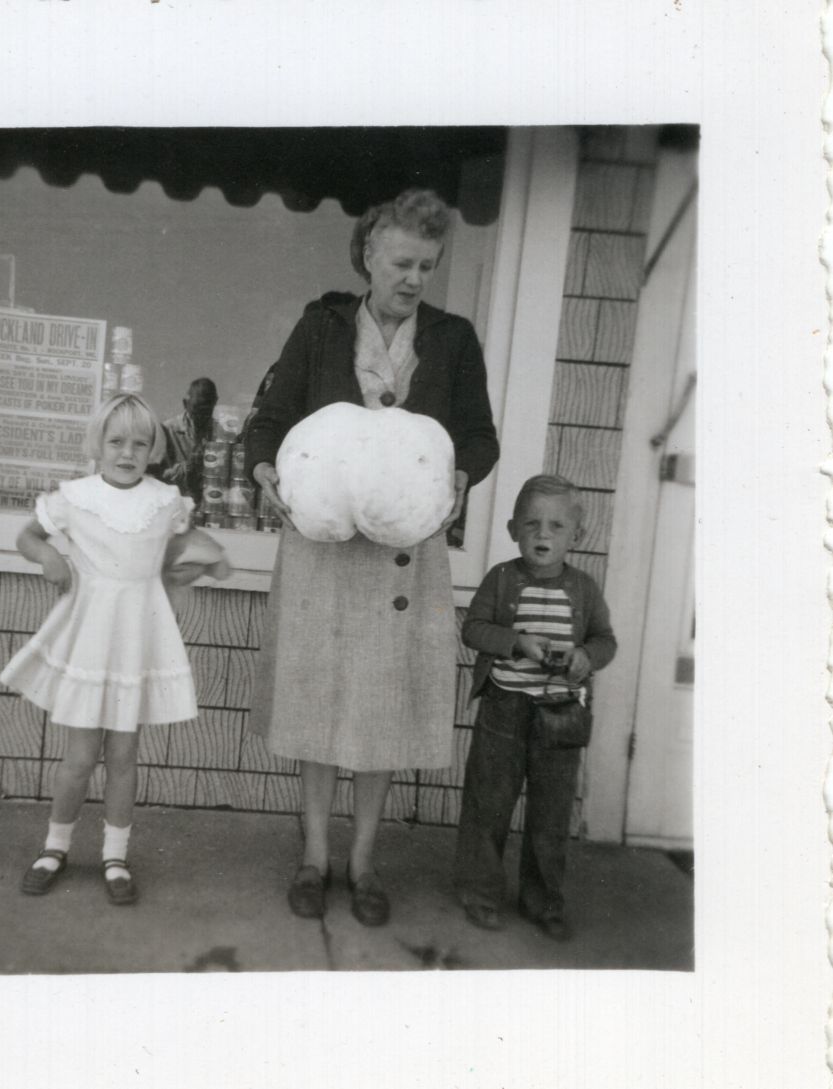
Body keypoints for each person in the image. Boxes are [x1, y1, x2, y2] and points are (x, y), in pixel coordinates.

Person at [245, 188, 500, 926]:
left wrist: (462, 474)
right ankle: (313, 856)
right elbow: (269, 419)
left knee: (381, 709)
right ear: (367, 254)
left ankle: (363, 862)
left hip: (403, 550)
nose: (414, 278)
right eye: (401, 263)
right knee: (318, 703)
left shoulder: (452, 339)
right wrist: (263, 470)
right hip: (322, 548)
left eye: (427, 265)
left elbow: (480, 436)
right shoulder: (321, 326)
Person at [0, 393, 229, 906]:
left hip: (137, 635)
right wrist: (49, 558)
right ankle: (55, 847)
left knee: (124, 755)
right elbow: (28, 537)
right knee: (80, 756)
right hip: (91, 632)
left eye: (140, 444)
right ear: (98, 444)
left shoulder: (166, 501)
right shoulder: (75, 497)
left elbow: (178, 551)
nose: (128, 453)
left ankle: (115, 856)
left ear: (154, 450)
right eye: (117, 442)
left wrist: (202, 564)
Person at [454, 475, 616, 941]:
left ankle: (543, 900)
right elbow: (473, 629)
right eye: (531, 524)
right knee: (488, 805)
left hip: (559, 714)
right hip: (503, 708)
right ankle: (480, 893)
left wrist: (585, 657)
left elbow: (605, 641)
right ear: (512, 530)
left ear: (576, 536)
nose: (543, 534)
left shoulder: (584, 588)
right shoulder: (501, 578)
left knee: (551, 813)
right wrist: (515, 641)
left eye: (556, 526)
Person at [160, 377, 219, 506]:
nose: (200, 417)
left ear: (215, 403)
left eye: (206, 411)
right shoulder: (167, 430)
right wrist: (189, 467)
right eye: (196, 410)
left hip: (209, 505)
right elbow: (159, 477)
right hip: (175, 504)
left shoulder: (221, 434)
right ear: (185, 403)